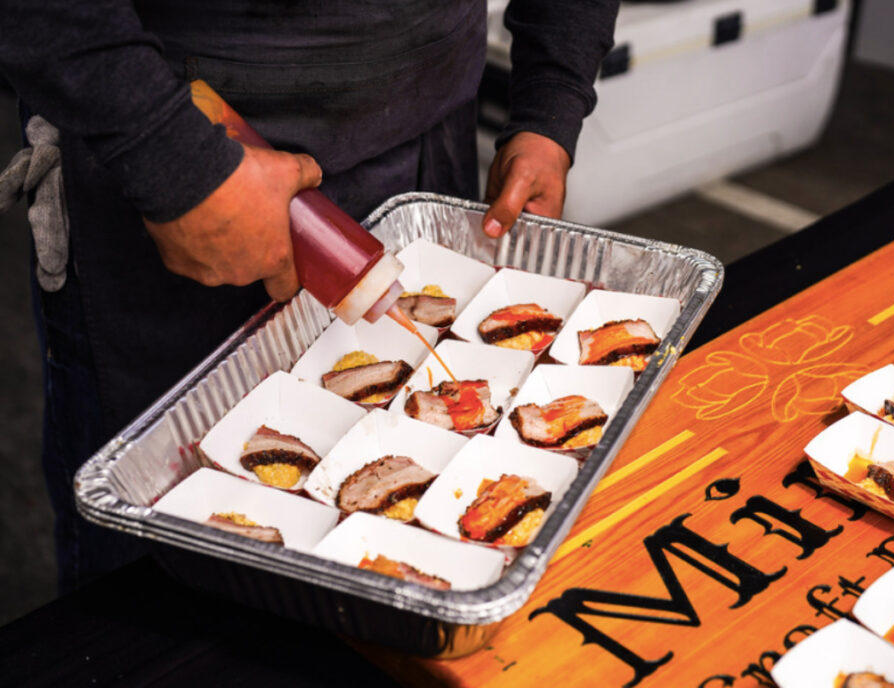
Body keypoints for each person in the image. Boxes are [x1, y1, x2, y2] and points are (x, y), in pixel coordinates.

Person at [0, 1, 618, 592]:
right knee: (156, 584)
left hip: (424, 139)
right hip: (171, 170)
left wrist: (550, 106)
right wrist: (170, 160)